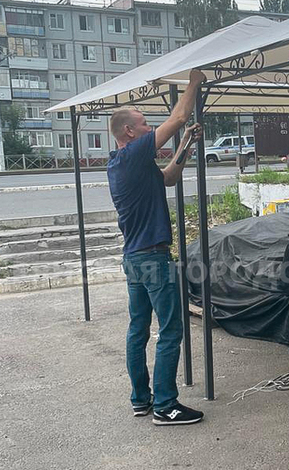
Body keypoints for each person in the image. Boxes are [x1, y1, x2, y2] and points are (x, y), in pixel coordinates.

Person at [107, 68, 207, 426]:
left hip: (135, 258)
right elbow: (179, 116)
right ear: (129, 132)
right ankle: (165, 405)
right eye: (145, 124)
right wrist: (194, 81)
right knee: (171, 329)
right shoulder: (133, 154)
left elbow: (168, 179)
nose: (150, 128)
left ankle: (141, 399)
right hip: (151, 256)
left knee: (138, 330)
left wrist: (185, 146)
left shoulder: (125, 163)